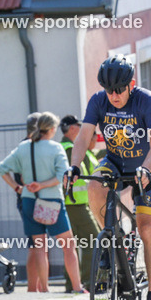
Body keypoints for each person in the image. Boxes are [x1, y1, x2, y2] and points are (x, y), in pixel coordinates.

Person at [69, 54, 151, 300]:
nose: (113, 95)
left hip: (147, 163)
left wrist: (146, 169)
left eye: (119, 90)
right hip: (115, 161)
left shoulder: (145, 100)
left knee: (146, 227)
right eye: (109, 90)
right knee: (94, 186)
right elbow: (83, 137)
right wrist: (74, 166)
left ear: (131, 84)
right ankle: (114, 239)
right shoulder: (98, 101)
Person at [0, 112, 82, 293]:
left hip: (28, 200)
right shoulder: (56, 148)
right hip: (52, 201)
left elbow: (2, 168)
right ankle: (77, 287)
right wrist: (42, 185)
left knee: (39, 247)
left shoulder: (23, 147)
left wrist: (17, 188)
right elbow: (61, 176)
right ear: (52, 129)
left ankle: (44, 289)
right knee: (68, 245)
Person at [59, 114, 100, 287]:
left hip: (74, 203)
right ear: (73, 128)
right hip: (75, 204)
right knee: (94, 239)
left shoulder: (71, 147)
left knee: (73, 244)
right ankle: (88, 281)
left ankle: (73, 284)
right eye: (79, 126)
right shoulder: (69, 149)